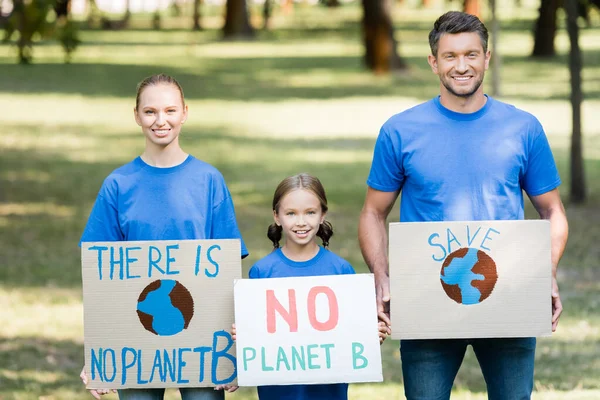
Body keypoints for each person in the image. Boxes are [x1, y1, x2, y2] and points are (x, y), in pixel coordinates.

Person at [358, 11, 569, 400]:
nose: (461, 66)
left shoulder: (523, 128)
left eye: (471, 55)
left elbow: (552, 210)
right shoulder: (400, 130)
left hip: (510, 292)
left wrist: (547, 272)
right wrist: (382, 275)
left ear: (487, 58)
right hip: (425, 296)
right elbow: (373, 212)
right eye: (450, 56)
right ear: (433, 62)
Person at [79, 73, 247, 400]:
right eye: (150, 111)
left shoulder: (209, 181)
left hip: (203, 341)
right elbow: (102, 277)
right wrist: (98, 351)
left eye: (170, 111)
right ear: (137, 116)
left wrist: (234, 352)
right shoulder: (118, 185)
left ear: (185, 112)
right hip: (135, 336)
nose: (161, 121)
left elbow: (227, 276)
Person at [232, 173, 388, 400]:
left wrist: (370, 336)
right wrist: (246, 335)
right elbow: (257, 337)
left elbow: (352, 337)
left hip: (328, 393)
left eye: (310, 213)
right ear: (277, 217)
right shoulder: (262, 272)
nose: (301, 222)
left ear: (323, 214)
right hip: (279, 394)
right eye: (291, 213)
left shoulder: (341, 270)